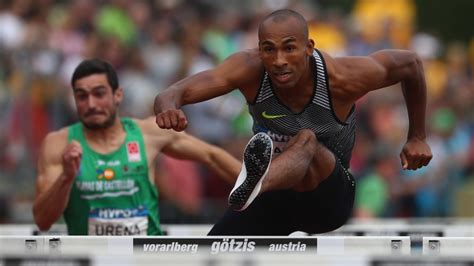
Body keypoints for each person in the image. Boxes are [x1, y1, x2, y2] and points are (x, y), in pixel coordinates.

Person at [154, 9, 433, 236]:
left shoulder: (342, 78)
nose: (278, 61)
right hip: (275, 197)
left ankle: (254, 183)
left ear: (308, 47)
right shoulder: (250, 69)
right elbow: (178, 90)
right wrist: (167, 104)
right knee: (214, 252)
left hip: (328, 200)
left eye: (289, 48)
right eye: (269, 50)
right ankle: (255, 186)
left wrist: (417, 136)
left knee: (307, 139)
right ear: (259, 50)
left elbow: (410, 65)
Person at [32, 58, 241, 235]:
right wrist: (66, 178)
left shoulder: (148, 133)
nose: (91, 104)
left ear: (118, 95)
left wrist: (262, 190)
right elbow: (43, 221)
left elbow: (213, 156)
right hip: (91, 258)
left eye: (99, 93)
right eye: (82, 96)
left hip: (144, 258)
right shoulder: (59, 144)